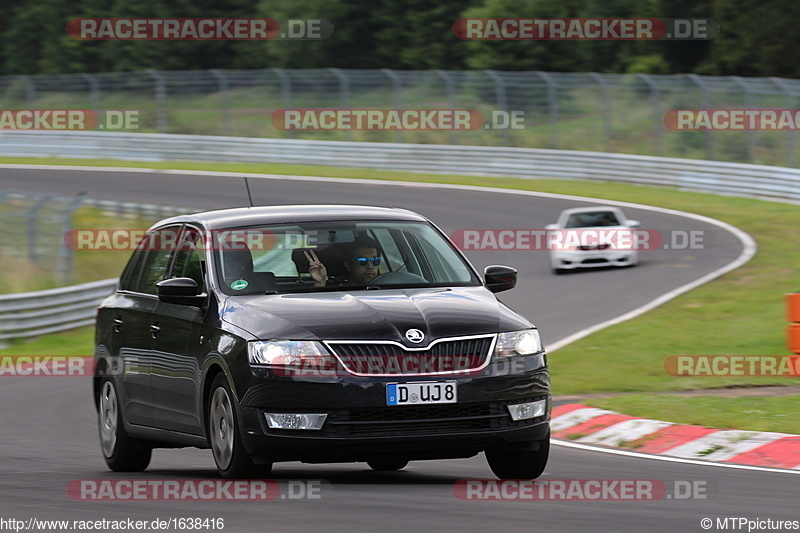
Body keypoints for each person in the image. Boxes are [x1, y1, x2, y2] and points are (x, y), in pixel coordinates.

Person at [304, 237, 381, 287]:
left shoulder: (388, 289)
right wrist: (320, 283)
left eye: (375, 261)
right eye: (363, 261)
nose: (370, 266)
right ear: (349, 266)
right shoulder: (337, 292)